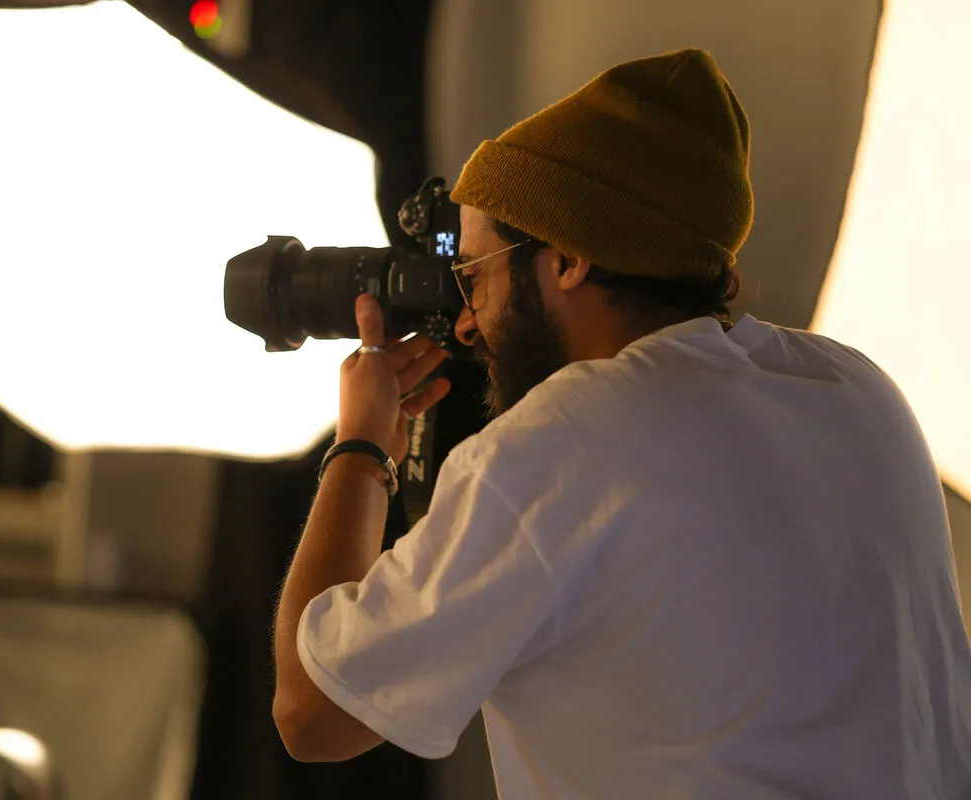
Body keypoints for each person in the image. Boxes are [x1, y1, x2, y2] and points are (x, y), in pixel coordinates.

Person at [271, 47, 971, 799]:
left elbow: (314, 713)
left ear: (568, 257)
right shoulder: (856, 391)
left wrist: (361, 445)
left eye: (475, 276)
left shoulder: (562, 442)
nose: (467, 326)